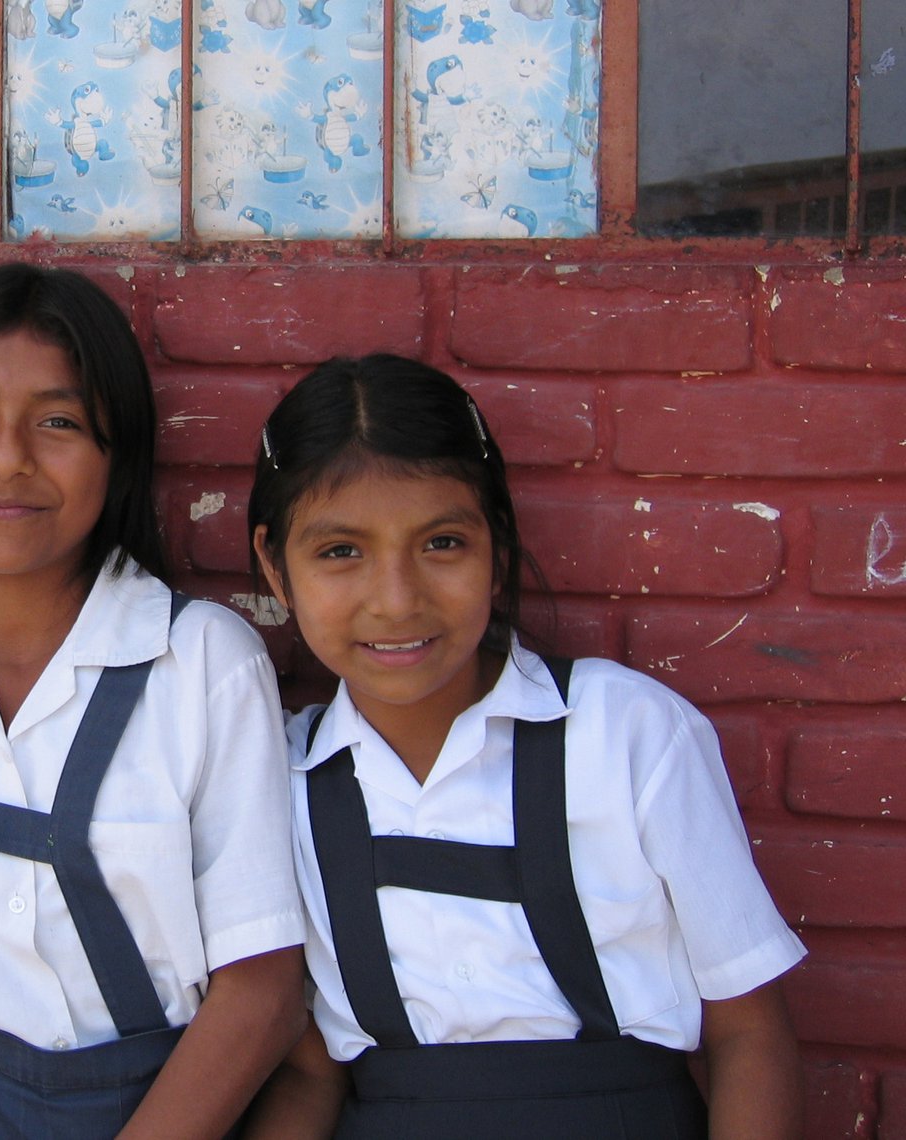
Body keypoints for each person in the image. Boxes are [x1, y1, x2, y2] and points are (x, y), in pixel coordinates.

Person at [241, 354, 806, 1139]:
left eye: (442, 544)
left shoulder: (626, 734)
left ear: (497, 549)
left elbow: (750, 1034)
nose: (397, 599)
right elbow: (310, 1073)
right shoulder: (281, 782)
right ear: (275, 565)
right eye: (341, 552)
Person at [0, 262, 307, 1139]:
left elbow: (261, 994)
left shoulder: (201, 667)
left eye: (60, 422)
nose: (7, 456)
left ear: (118, 464)